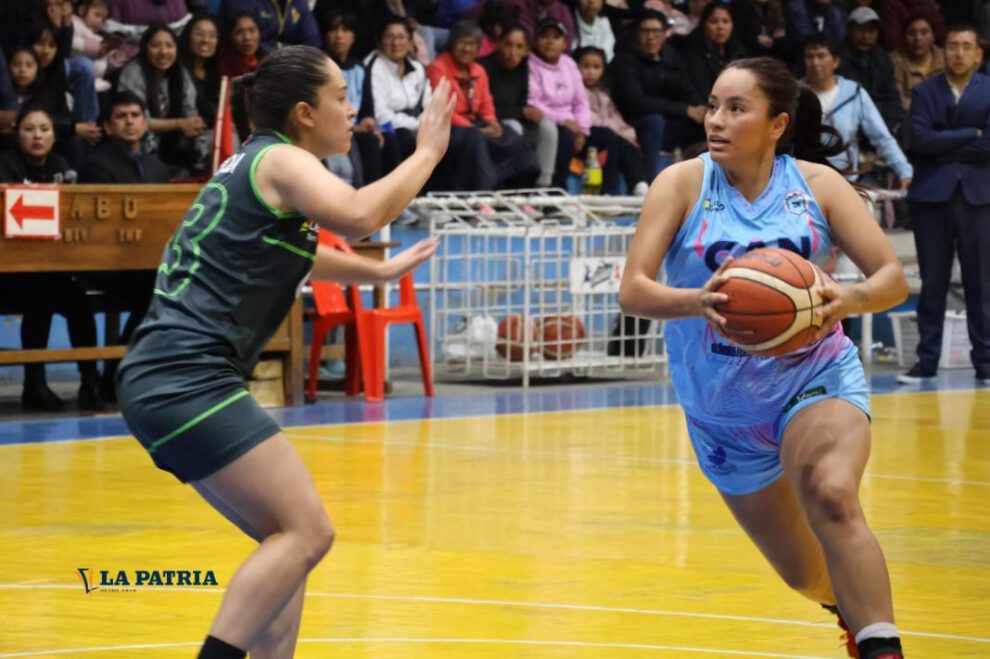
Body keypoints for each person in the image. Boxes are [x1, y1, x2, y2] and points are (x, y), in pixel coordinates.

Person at [115, 45, 454, 659]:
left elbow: (292, 251)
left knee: (287, 544)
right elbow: (355, 217)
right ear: (304, 112)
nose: (351, 110)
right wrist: (428, 151)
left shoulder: (250, 163)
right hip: (185, 378)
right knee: (307, 532)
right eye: (341, 99)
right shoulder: (282, 160)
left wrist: (375, 277)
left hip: (166, 378)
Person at [618, 56, 909, 659]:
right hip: (722, 408)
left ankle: (882, 647)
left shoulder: (817, 186)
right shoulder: (681, 184)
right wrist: (698, 301)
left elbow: (891, 278)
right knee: (803, 575)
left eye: (735, 108)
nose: (715, 120)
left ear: (777, 123)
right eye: (713, 105)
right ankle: (848, 609)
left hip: (815, 374)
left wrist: (847, 297)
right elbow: (634, 291)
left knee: (831, 493)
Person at [899, 25, 990, 384]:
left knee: (980, 283)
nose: (959, 53)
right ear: (944, 51)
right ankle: (926, 360)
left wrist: (944, 143)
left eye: (966, 47)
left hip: (979, 196)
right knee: (932, 282)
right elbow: (919, 140)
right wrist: (971, 134)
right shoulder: (924, 91)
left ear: (978, 55)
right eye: (952, 46)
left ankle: (985, 360)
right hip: (931, 197)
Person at [0, 104, 104, 412]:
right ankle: (34, 383)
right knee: (39, 298)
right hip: (10, 271)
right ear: (17, 133)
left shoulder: (63, 166)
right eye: (29, 129)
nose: (37, 136)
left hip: (52, 269)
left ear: (54, 135)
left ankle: (89, 381)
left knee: (79, 302)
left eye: (44, 129)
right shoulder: (5, 165)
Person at [803, 36, 913, 187]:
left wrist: (904, 170)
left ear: (835, 61)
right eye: (810, 57)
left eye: (821, 56)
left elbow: (881, 138)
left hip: (847, 181)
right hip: (805, 183)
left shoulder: (854, 93)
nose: (815, 63)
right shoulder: (796, 94)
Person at [609, 9, 707, 179]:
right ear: (636, 33)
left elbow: (687, 88)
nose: (651, 37)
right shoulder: (625, 59)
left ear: (664, 34)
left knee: (706, 123)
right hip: (635, 123)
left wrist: (701, 110)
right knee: (654, 121)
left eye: (656, 31)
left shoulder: (670, 56)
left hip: (669, 121)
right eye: (645, 31)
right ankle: (650, 180)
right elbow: (635, 102)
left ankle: (707, 182)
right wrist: (684, 109)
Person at [117, 24, 209, 175]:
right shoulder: (133, 73)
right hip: (141, 138)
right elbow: (139, 121)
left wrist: (194, 125)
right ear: (145, 48)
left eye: (169, 46)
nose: (163, 52)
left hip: (173, 141)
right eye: (156, 46)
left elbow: (190, 112)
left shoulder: (181, 72)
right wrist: (179, 124)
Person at [838, 7, 906, 134]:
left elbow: (891, 97)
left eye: (871, 31)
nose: (866, 36)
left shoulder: (882, 58)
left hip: (881, 117)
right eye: (860, 30)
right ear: (849, 30)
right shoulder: (837, 58)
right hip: (848, 119)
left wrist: (896, 124)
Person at [891, 15, 946, 111]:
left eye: (924, 33)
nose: (918, 38)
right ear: (904, 37)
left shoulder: (946, 58)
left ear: (933, 36)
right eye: (912, 33)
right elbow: (897, 100)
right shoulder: (894, 61)